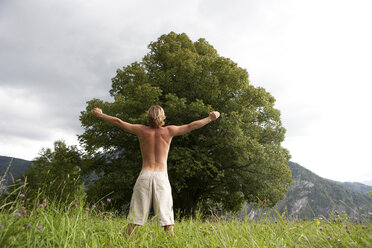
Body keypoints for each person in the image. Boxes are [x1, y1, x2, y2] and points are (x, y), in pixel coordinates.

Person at [92, 105, 220, 236]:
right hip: (161, 177)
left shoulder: (141, 130)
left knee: (134, 221)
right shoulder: (169, 131)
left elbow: (118, 122)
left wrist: (101, 114)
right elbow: (191, 126)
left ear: (148, 117)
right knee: (167, 222)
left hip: (145, 176)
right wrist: (210, 118)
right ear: (163, 117)